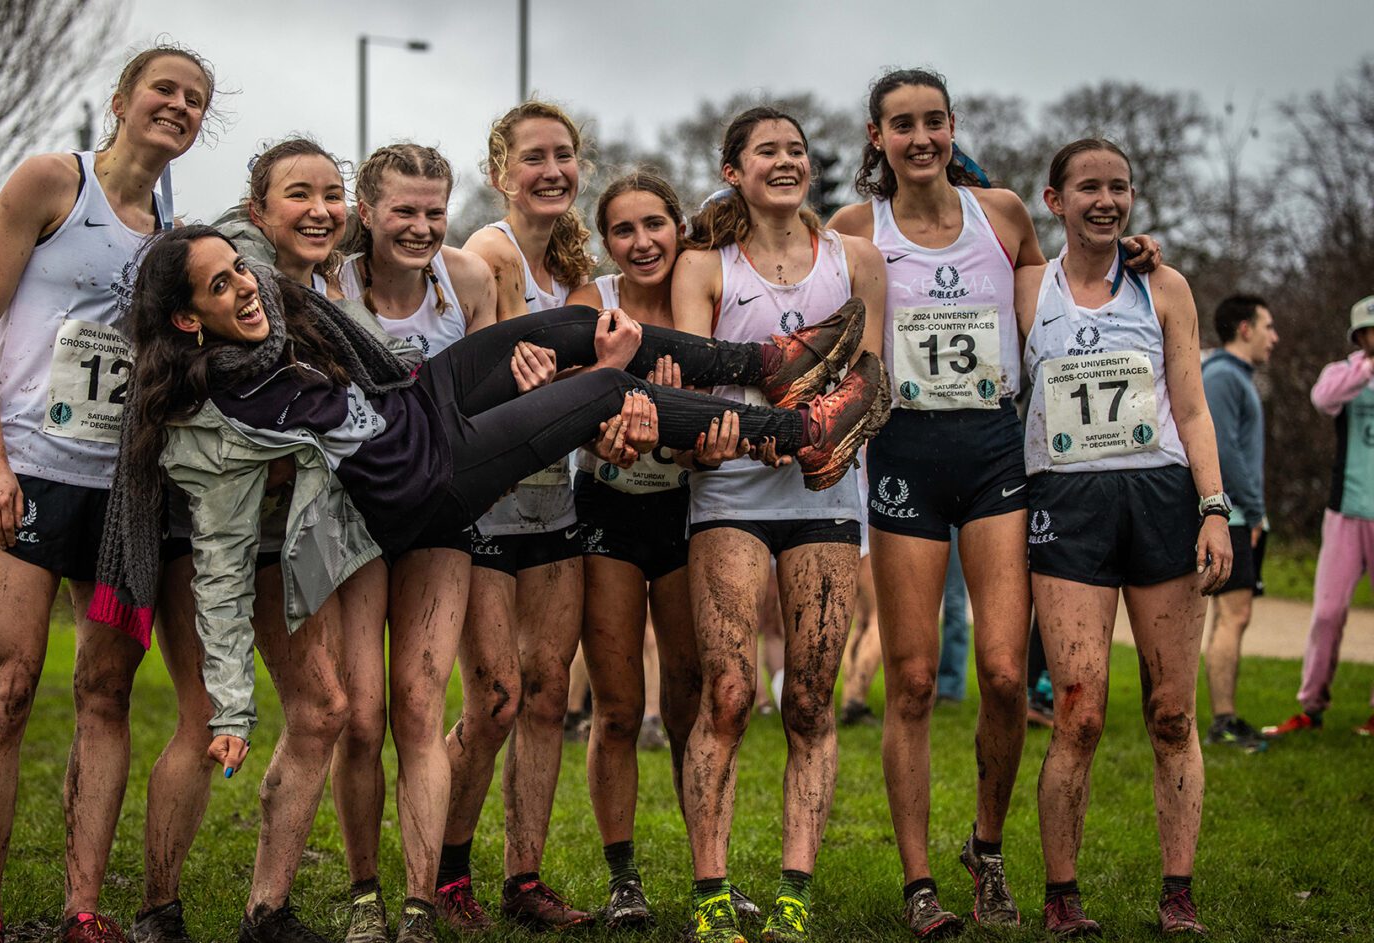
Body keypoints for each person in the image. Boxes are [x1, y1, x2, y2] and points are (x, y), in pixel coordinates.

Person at [92, 225, 883, 942]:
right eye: (221, 286)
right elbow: (224, 567)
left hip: (413, 401)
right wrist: (231, 703)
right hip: (429, 477)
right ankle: (804, 434)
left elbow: (281, 277)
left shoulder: (278, 329)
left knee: (579, 329)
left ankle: (769, 362)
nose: (246, 288)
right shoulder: (210, 428)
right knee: (603, 392)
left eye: (241, 270)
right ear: (190, 320)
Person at [828, 69, 1158, 937]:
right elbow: (800, 298)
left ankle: (987, 846)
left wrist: (1132, 259)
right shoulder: (855, 229)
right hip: (902, 453)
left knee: (1007, 675)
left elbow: (1052, 305)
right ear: (878, 138)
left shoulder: (1004, 214)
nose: (922, 137)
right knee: (906, 679)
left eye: (935, 121)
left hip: (991, 449)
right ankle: (918, 883)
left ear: (951, 126)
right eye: (902, 125)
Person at [0, 44, 212, 943]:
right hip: (25, 478)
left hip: (125, 503)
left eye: (194, 99)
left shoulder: (180, 235)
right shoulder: (50, 182)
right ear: (121, 100)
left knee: (105, 690)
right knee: (9, 687)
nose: (177, 105)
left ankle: (83, 906)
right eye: (163, 90)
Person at [132, 137, 408, 943]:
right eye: (299, 194)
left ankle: (268, 910)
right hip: (206, 533)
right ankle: (157, 908)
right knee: (201, 717)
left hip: (279, 536)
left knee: (322, 708)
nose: (320, 209)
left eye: (332, 194)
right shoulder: (228, 261)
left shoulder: (322, 293)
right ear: (258, 209)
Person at [672, 105, 889, 943]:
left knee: (807, 699)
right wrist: (743, 433)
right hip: (729, 496)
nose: (787, 160)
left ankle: (795, 892)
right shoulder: (707, 267)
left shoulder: (855, 259)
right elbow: (691, 393)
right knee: (728, 696)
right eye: (768, 151)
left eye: (796, 149)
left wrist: (818, 432)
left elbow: (874, 382)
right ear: (735, 171)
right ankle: (712, 894)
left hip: (826, 500)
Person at [1017, 138, 1232, 937]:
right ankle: (1062, 896)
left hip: (1160, 497)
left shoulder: (1164, 285)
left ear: (1133, 197)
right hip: (1066, 502)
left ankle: (1178, 892)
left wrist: (1215, 505)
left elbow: (1192, 405)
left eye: (1119, 187)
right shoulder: (1027, 287)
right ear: (1055, 199)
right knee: (1079, 712)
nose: (1105, 200)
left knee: (1173, 712)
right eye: (1088, 188)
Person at [565, 170, 752, 929]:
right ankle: (624, 881)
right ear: (605, 240)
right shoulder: (591, 300)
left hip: (685, 510)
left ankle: (713, 875)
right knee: (616, 709)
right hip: (608, 507)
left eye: (655, 225)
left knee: (690, 702)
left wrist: (690, 428)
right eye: (623, 229)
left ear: (679, 227)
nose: (642, 242)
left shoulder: (704, 290)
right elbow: (570, 405)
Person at [333, 143, 498, 943]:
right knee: (361, 716)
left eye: (435, 210)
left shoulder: (466, 281)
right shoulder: (327, 284)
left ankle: (418, 901)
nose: (422, 226)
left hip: (438, 514)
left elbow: (493, 397)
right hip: (353, 517)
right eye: (403, 210)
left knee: (421, 707)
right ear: (365, 210)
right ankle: (363, 892)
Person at [441, 100, 596, 931]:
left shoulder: (576, 275)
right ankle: (447, 870)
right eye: (532, 157)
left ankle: (524, 878)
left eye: (563, 155)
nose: (551, 170)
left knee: (545, 698)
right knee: (494, 696)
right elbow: (468, 391)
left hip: (554, 503)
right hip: (487, 512)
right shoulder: (485, 257)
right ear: (500, 172)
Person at [1265, 294, 1374, 739]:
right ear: (1359, 335)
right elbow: (1322, 398)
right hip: (1346, 512)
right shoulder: (1344, 374)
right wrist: (1365, 368)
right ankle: (1311, 707)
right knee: (1328, 612)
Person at [1201, 294, 1277, 752]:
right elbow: (1223, 451)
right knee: (1234, 614)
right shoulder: (1224, 377)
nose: (1275, 337)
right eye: (1268, 326)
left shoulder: (1235, 377)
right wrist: (1254, 507)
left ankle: (1223, 717)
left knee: (1229, 617)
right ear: (1245, 328)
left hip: (1236, 512)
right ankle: (1222, 721)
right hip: (1231, 514)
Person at [840, 452, 883, 727]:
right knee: (881, 618)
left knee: (860, 621)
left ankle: (849, 695)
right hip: (865, 515)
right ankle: (855, 698)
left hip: (841, 512)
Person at [935, 532, 970, 703]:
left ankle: (949, 688)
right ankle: (912, 680)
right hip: (922, 510)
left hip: (957, 517)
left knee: (954, 602)